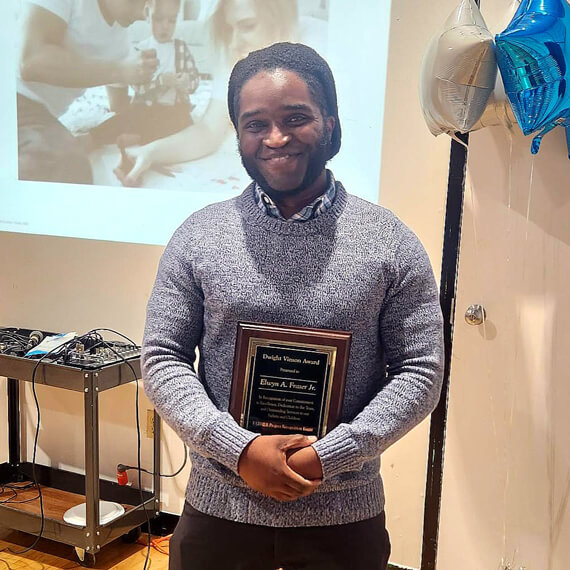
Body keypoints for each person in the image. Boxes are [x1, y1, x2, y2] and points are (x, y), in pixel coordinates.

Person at [142, 42, 444, 570]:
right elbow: (162, 359)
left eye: (295, 118)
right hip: (219, 512)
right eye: (255, 123)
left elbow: (420, 374)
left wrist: (327, 458)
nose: (276, 138)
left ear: (329, 121)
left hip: (343, 520)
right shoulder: (199, 236)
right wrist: (237, 449)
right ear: (238, 132)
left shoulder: (390, 242)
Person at [115, 0, 302, 186]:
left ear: (280, 19)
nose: (234, 42)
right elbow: (208, 130)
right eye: (229, 30)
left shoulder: (321, 44)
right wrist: (150, 152)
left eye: (248, 26)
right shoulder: (236, 60)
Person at [17, 0, 155, 184]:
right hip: (12, 95)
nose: (142, 14)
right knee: (63, 166)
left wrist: (151, 96)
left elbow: (119, 105)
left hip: (37, 115)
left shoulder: (120, 44)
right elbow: (31, 61)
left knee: (67, 166)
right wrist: (120, 71)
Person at [89, 0, 200, 153]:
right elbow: (138, 87)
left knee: (183, 122)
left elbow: (194, 80)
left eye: (171, 20)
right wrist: (161, 81)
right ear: (148, 15)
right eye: (158, 19)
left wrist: (188, 83)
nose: (165, 26)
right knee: (126, 118)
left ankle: (139, 138)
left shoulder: (181, 48)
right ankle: (93, 137)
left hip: (173, 109)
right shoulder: (141, 49)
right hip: (144, 107)